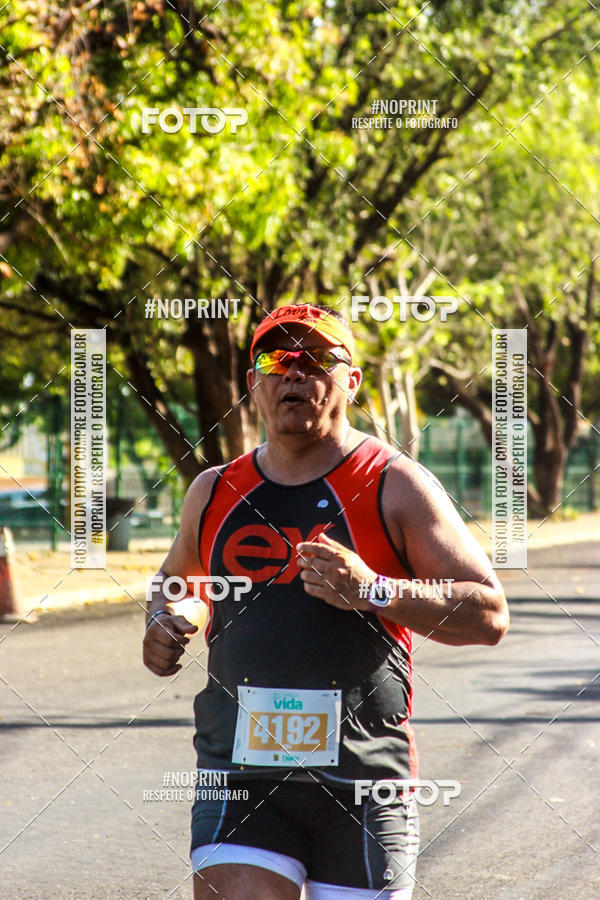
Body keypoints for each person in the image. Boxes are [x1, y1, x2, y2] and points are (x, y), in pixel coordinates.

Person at [143, 303, 509, 900]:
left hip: (363, 782)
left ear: (351, 381)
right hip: (239, 777)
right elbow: (182, 579)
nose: (295, 373)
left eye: (316, 360)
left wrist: (374, 590)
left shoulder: (396, 483)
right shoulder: (213, 491)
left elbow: (488, 613)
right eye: (275, 360)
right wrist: (171, 616)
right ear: (253, 384)